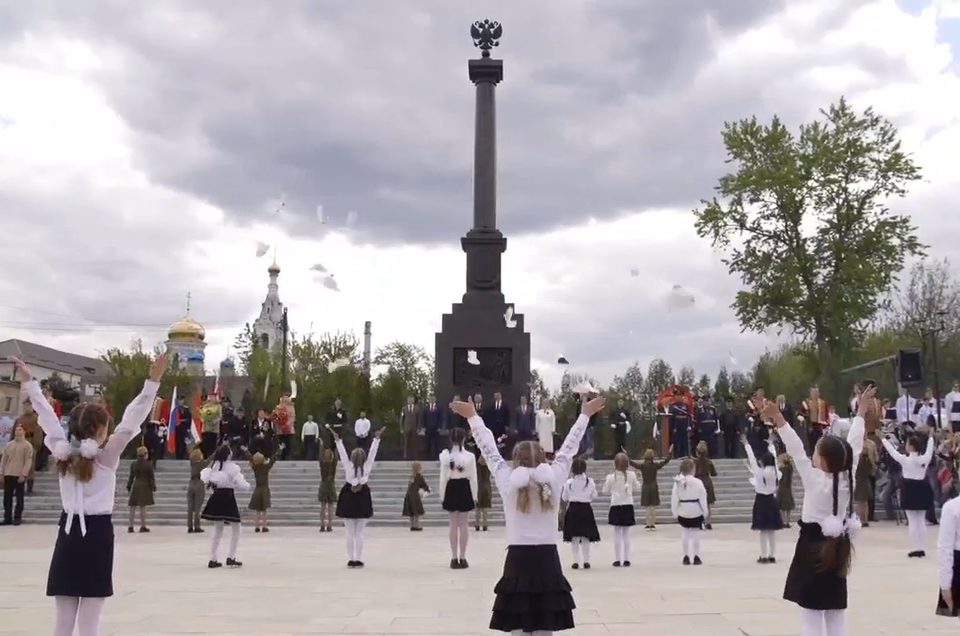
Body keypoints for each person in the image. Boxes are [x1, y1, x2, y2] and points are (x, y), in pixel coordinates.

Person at [12, 353, 166, 636]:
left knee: (63, 620)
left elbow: (47, 417)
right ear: (102, 430)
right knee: (90, 622)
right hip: (96, 534)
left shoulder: (62, 454)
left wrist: (30, 384)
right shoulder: (107, 458)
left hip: (68, 532)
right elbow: (132, 421)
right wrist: (152, 382)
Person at [449, 393, 606, 634]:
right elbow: (568, 450)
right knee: (546, 628)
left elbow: (489, 451)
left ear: (515, 460)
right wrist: (584, 415)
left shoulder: (507, 481)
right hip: (547, 561)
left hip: (518, 561)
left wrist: (473, 418)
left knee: (518, 627)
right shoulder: (553, 479)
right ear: (543, 458)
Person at [774, 385, 872, 636]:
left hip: (811, 547)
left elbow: (796, 449)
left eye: (816, 452)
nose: (812, 456)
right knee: (835, 610)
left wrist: (779, 419)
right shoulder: (847, 478)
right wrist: (860, 412)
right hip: (837, 547)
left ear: (824, 461)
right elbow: (855, 445)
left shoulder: (815, 480)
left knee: (811, 612)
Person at [333, 425, 384, 568]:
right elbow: (373, 454)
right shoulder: (366, 467)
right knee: (360, 532)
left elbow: (342, 454)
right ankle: (359, 558)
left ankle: (351, 558)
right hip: (362, 497)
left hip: (349, 496)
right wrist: (376, 440)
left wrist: (338, 441)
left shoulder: (349, 467)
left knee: (349, 531)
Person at [882, 430, 935, 557]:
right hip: (922, 487)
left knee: (912, 520)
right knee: (921, 519)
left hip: (909, 488)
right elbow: (929, 450)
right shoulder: (924, 459)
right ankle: (921, 547)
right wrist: (931, 438)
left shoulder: (905, 460)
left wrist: (884, 440)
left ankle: (915, 547)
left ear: (911, 446)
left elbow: (892, 452)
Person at [200, 443, 250, 568]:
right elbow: (242, 484)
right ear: (229, 455)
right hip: (228, 497)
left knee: (218, 529)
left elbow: (207, 478)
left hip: (216, 496)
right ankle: (231, 557)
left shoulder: (215, 466)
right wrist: (245, 486)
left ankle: (213, 558)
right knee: (236, 528)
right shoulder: (232, 468)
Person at [440, 427, 478, 569]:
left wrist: (442, 494)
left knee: (453, 524)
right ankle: (463, 556)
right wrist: (474, 494)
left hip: (451, 486)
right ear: (464, 439)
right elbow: (473, 478)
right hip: (464, 487)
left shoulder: (446, 456)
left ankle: (453, 557)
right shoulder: (470, 457)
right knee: (463, 524)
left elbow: (443, 478)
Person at [743, 435, 782, 564]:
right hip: (772, 500)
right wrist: (771, 445)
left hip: (761, 500)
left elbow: (752, 459)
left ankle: (763, 555)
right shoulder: (776, 472)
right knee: (771, 531)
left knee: (763, 531)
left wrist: (747, 445)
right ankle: (772, 555)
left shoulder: (759, 472)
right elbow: (775, 460)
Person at [602, 452, 641, 567]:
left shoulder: (610, 477)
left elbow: (605, 491)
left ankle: (618, 559)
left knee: (617, 534)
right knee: (626, 534)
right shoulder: (632, 475)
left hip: (615, 505)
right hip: (628, 505)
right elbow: (638, 488)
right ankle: (627, 558)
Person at [561, 457, 600, 570]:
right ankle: (586, 561)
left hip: (573, 509)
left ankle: (575, 561)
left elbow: (564, 497)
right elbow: (594, 495)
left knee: (574, 537)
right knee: (585, 537)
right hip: (586, 509)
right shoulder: (589, 481)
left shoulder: (569, 483)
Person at [671, 457, 708, 565]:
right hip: (696, 510)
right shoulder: (698, 482)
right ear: (693, 469)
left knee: (685, 533)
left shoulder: (677, 483)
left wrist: (675, 512)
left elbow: (674, 498)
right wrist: (705, 511)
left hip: (683, 511)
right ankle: (696, 556)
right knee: (696, 534)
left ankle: (686, 556)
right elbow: (703, 498)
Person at [1, 422, 33, 526]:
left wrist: (24, 474)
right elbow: (4, 460)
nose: (17, 431)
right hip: (8, 473)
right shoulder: (9, 445)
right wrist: (2, 473)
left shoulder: (27, 446)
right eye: (16, 430)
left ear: (24, 432)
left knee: (19, 498)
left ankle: (17, 517)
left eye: (20, 430)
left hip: (19, 475)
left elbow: (28, 461)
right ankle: (7, 517)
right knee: (7, 498)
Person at [631, 447, 671, 529]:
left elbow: (632, 463)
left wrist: (626, 455)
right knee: (653, 506)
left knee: (647, 507)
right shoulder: (655, 465)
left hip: (645, 486)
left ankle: (648, 523)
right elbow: (665, 462)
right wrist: (670, 453)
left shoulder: (642, 466)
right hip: (653, 486)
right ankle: (652, 523)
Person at [936, 492, 960, 618]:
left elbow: (944, 547)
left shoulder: (952, 507)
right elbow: (945, 547)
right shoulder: (952, 507)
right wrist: (945, 584)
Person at [249, 446, 281, 533]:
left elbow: (250, 459)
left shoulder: (255, 468)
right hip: (264, 489)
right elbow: (273, 460)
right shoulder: (266, 468)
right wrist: (279, 450)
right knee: (264, 510)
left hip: (257, 489)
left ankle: (256, 526)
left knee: (257, 510)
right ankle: (264, 526)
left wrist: (246, 451)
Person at [125, 446, 156, 533]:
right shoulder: (148, 464)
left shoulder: (134, 464)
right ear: (145, 454)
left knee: (132, 507)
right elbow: (151, 477)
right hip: (145, 486)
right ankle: (143, 525)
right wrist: (153, 486)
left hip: (136, 485)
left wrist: (128, 486)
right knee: (142, 507)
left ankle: (130, 526)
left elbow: (131, 477)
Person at [694, 441, 718, 530]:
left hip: (698, 482)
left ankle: (700, 522)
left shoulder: (695, 462)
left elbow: (693, 473)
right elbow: (714, 473)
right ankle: (708, 522)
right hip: (707, 482)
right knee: (707, 503)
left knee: (698, 503)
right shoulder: (709, 461)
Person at [853, 440, 877, 528]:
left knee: (860, 502)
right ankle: (865, 520)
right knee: (864, 503)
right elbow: (871, 470)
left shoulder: (858, 460)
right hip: (865, 481)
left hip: (859, 481)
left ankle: (861, 520)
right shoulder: (868, 461)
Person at [402, 461, 430, 531]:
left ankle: (412, 525)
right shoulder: (419, 476)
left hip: (409, 494)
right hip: (415, 495)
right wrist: (427, 490)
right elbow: (424, 485)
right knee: (416, 510)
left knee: (411, 510)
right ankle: (416, 525)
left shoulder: (411, 476)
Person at [186, 447, 208, 533]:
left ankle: (189, 526)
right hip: (199, 484)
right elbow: (209, 460)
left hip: (191, 484)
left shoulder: (192, 463)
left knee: (190, 507)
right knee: (197, 507)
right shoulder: (202, 464)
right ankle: (197, 526)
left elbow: (189, 452)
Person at [317, 448, 337, 533]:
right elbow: (336, 459)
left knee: (323, 507)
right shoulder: (333, 465)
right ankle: (329, 525)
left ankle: (322, 525)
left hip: (324, 484)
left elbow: (320, 457)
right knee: (330, 507)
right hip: (331, 485)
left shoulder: (322, 464)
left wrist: (321, 447)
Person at [778, 453, 795, 529]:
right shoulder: (790, 468)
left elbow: (782, 479)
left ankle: (782, 521)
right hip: (788, 489)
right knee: (787, 507)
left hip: (782, 488)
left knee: (782, 507)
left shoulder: (782, 469)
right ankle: (787, 522)